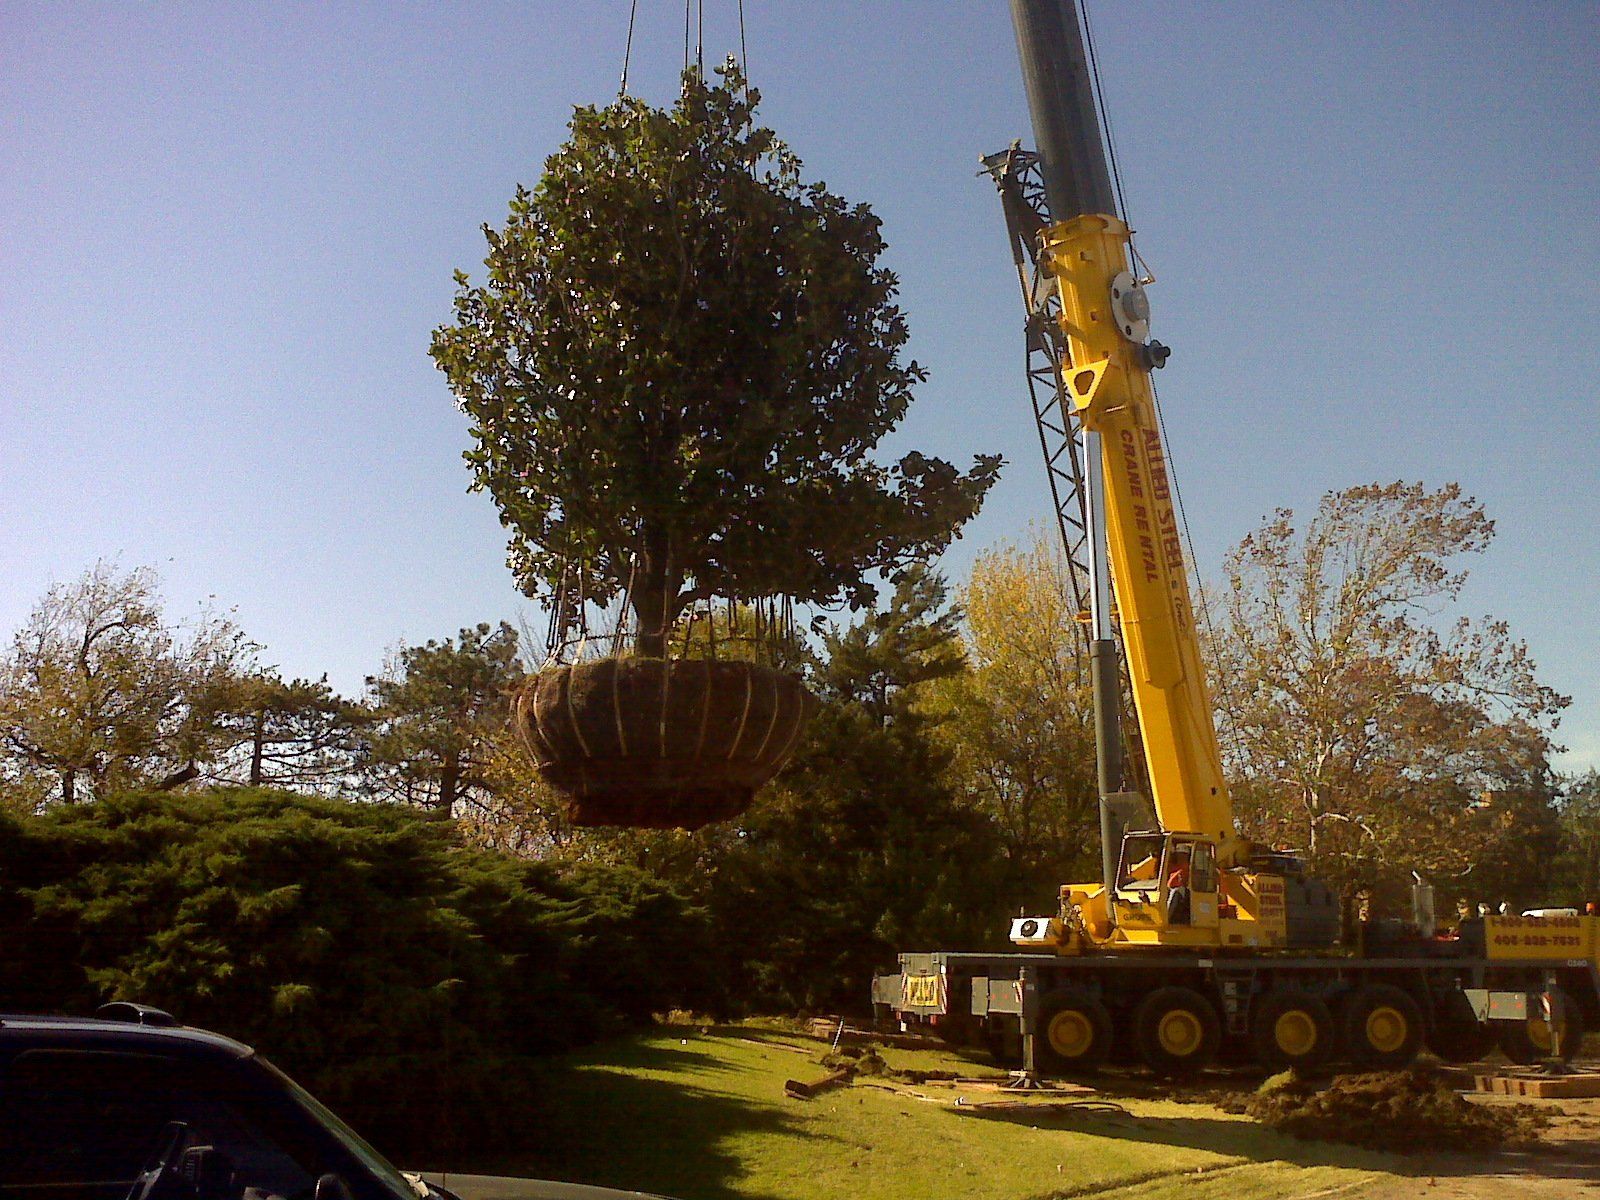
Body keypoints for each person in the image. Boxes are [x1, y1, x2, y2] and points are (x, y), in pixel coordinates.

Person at [1166, 852, 1191, 926]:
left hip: (1187, 890)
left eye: (1183, 857)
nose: (1181, 858)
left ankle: (1166, 917)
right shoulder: (1170, 866)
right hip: (1172, 888)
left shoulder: (1190, 867)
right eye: (1179, 856)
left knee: (1176, 892)